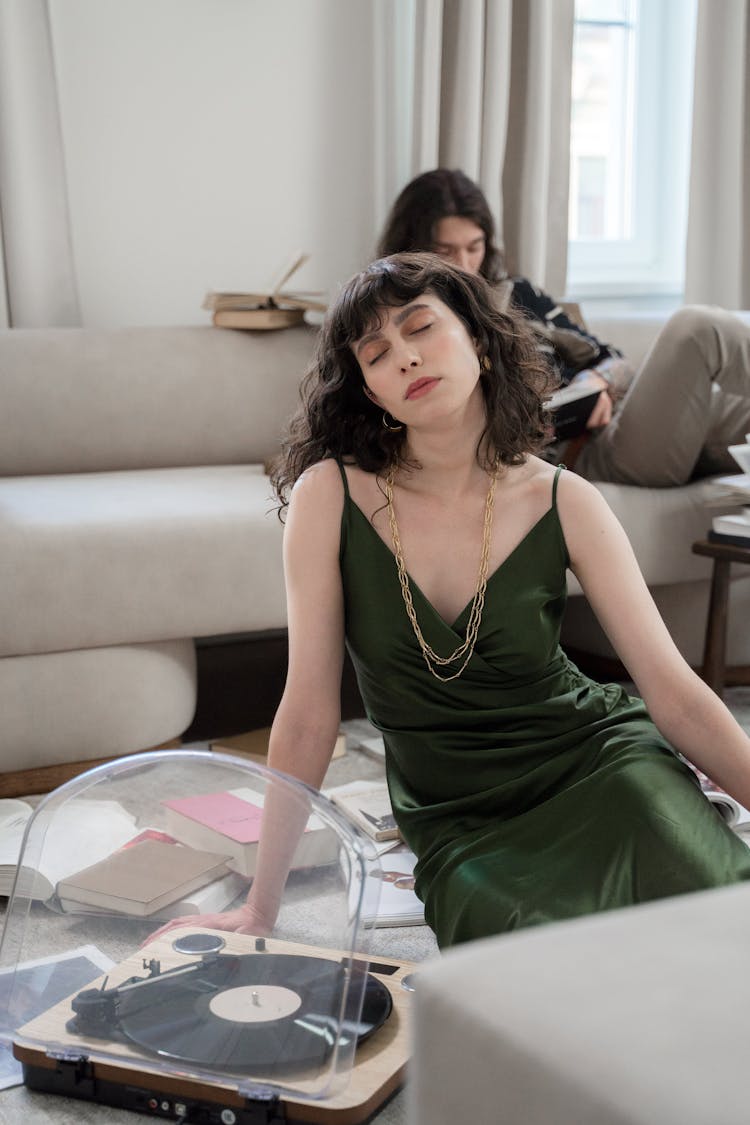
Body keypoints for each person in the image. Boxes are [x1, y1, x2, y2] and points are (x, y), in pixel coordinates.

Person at [154, 252, 750, 949]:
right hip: (460, 815)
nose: (404, 358)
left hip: (596, 759)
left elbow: (673, 691)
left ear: (479, 342)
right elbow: (310, 714)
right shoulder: (331, 496)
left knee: (714, 905)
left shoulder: (563, 499)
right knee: (520, 961)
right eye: (377, 353)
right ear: (371, 390)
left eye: (421, 328)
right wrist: (260, 907)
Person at [377, 168, 750, 487]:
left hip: (634, 417)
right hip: (591, 449)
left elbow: (614, 359)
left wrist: (597, 384)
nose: (464, 264)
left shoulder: (519, 293)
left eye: (474, 247)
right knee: (697, 329)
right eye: (445, 251)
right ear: (414, 249)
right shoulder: (413, 330)